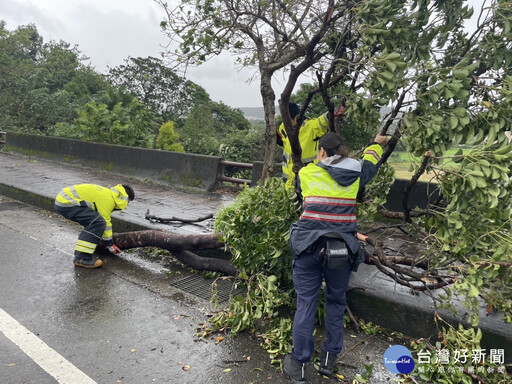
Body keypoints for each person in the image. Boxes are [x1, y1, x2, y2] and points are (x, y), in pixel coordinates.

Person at [283, 132, 387, 383]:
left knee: (306, 303)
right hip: (341, 250)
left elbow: (301, 195)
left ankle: (299, 361)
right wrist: (377, 144)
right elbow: (371, 163)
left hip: (308, 247)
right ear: (342, 151)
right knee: (336, 302)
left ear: (321, 152)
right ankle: (329, 360)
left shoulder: (306, 174)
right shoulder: (357, 174)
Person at [54, 183, 135, 268]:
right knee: (98, 223)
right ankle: (82, 258)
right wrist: (110, 245)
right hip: (67, 202)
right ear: (125, 198)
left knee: (93, 222)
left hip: (64, 199)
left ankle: (89, 247)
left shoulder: (108, 194)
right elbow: (106, 223)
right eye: (128, 201)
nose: (127, 204)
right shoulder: (108, 200)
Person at [276, 102, 332, 190]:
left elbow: (322, 121)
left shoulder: (310, 127)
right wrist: (280, 142)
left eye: (288, 119)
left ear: (296, 117)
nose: (285, 122)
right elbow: (287, 147)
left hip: (308, 182)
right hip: (288, 183)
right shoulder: (283, 127)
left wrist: (333, 112)